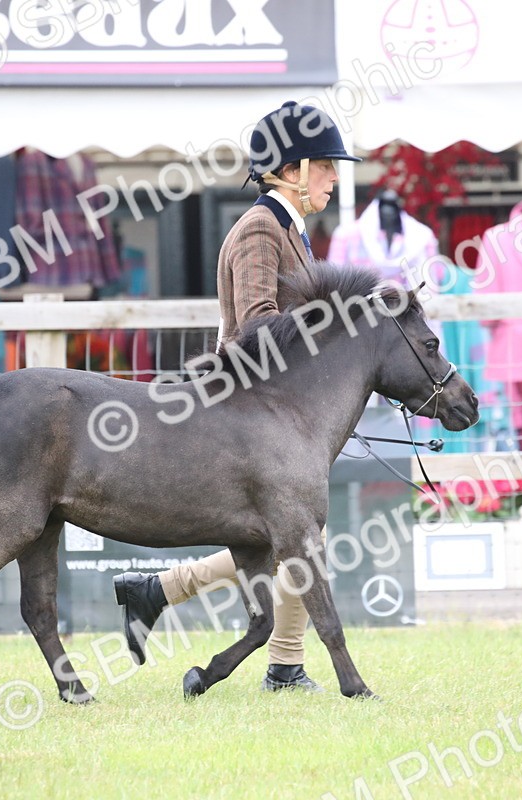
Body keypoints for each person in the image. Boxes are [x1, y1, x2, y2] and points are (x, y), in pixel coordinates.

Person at [113, 101, 361, 692]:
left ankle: (167, 597)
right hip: (246, 404)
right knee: (300, 538)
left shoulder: (289, 230)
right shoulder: (258, 228)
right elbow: (255, 326)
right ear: (292, 169)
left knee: (298, 537)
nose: (334, 177)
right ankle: (283, 664)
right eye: (326, 165)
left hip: (275, 408)